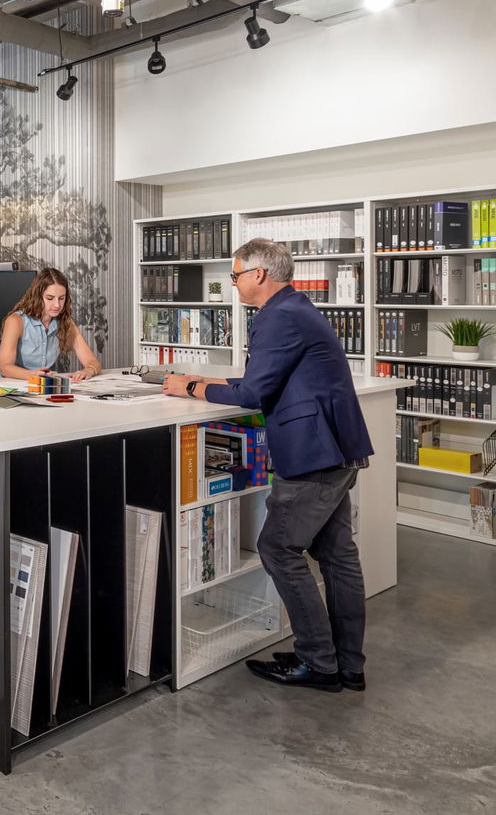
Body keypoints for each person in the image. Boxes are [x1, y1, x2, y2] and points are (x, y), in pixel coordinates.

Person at [162, 238, 372, 694]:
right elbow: (267, 379)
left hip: (312, 454)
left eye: (235, 276)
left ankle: (319, 661)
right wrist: (207, 380)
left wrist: (191, 390)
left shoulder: (276, 317)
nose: (233, 283)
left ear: (259, 275)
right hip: (337, 449)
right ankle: (346, 663)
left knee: (278, 549)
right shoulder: (296, 309)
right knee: (337, 557)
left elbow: (255, 396)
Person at [0, 267, 102, 381]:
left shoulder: (65, 322)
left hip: (42, 387)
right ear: (37, 296)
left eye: (61, 298)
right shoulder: (15, 321)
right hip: (12, 386)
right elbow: (5, 368)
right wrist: (34, 375)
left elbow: (93, 362)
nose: (57, 304)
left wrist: (88, 370)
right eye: (50, 298)